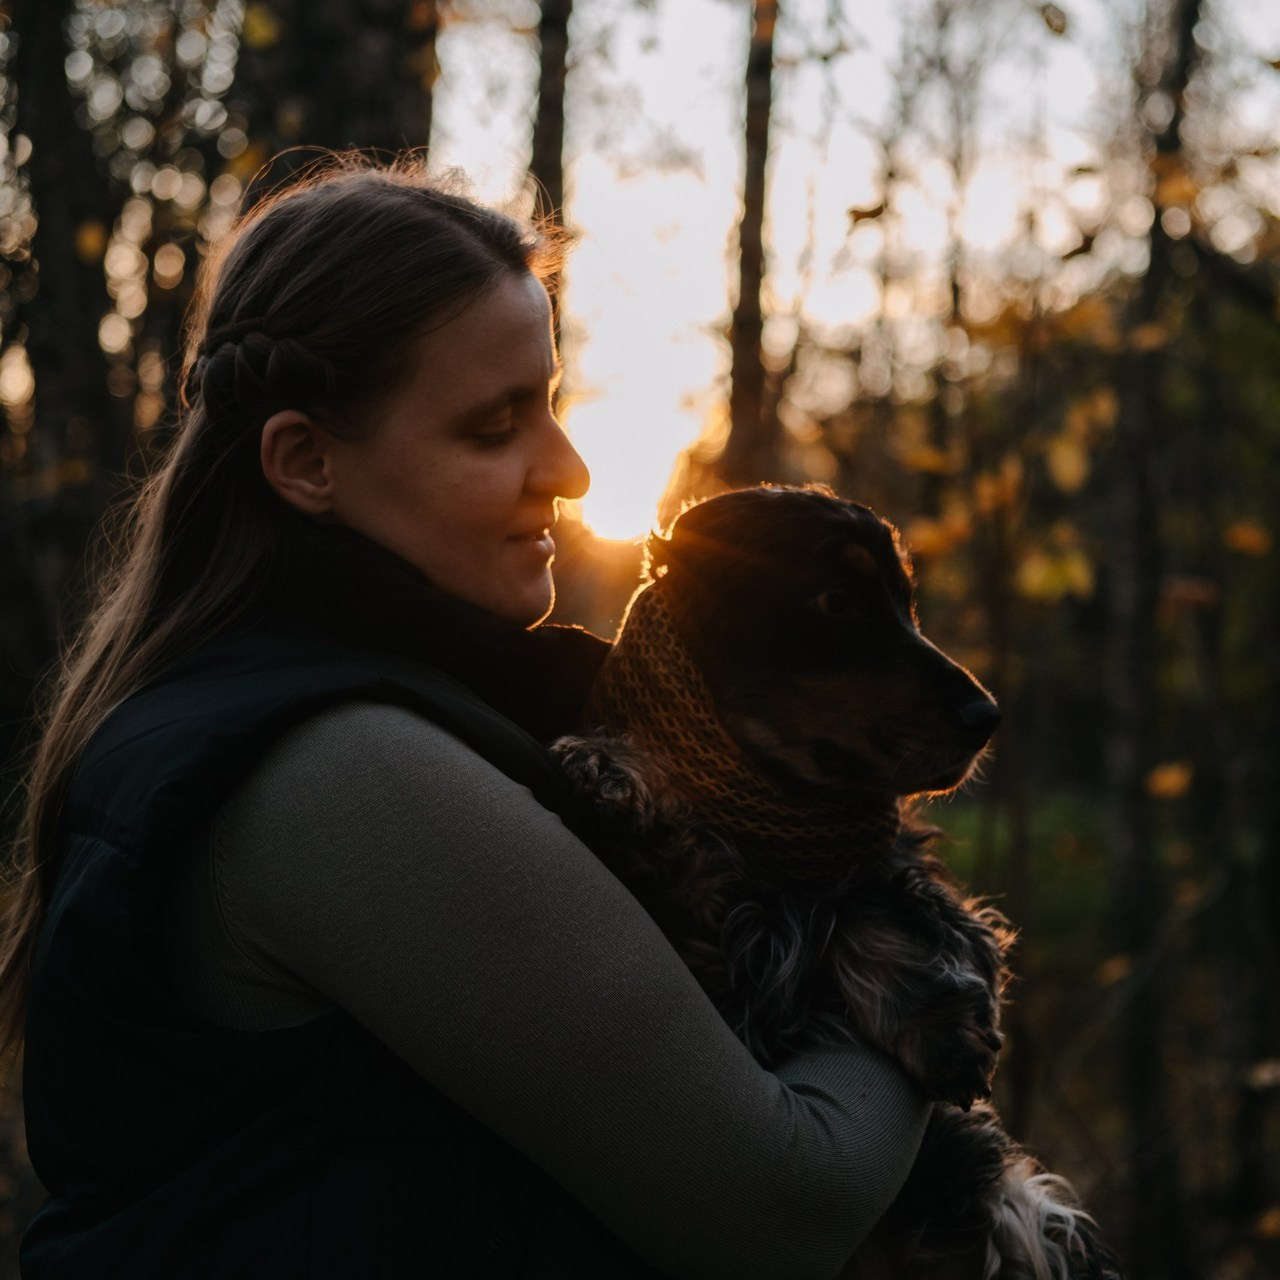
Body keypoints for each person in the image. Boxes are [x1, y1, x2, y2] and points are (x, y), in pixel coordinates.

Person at [0, 158, 928, 1278]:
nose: (572, 470)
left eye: (550, 401)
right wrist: (912, 951)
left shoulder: (254, 699)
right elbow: (782, 1205)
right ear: (304, 461)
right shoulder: (333, 773)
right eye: (494, 427)